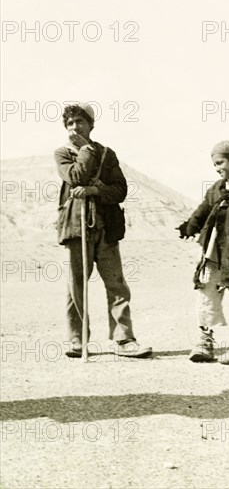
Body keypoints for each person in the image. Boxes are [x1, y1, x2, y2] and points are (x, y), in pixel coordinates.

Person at [54, 102, 152, 359]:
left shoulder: (108, 155)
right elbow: (76, 176)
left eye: (80, 122)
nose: (75, 127)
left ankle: (123, 339)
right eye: (70, 123)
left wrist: (95, 190)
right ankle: (77, 340)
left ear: (91, 125)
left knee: (117, 284)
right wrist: (85, 149)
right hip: (76, 229)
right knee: (76, 285)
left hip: (106, 228)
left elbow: (120, 190)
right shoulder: (62, 154)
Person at [177, 141, 229, 364]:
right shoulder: (215, 188)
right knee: (206, 293)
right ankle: (205, 340)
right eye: (214, 164)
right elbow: (202, 211)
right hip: (211, 253)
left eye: (220, 163)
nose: (217, 168)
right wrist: (190, 227)